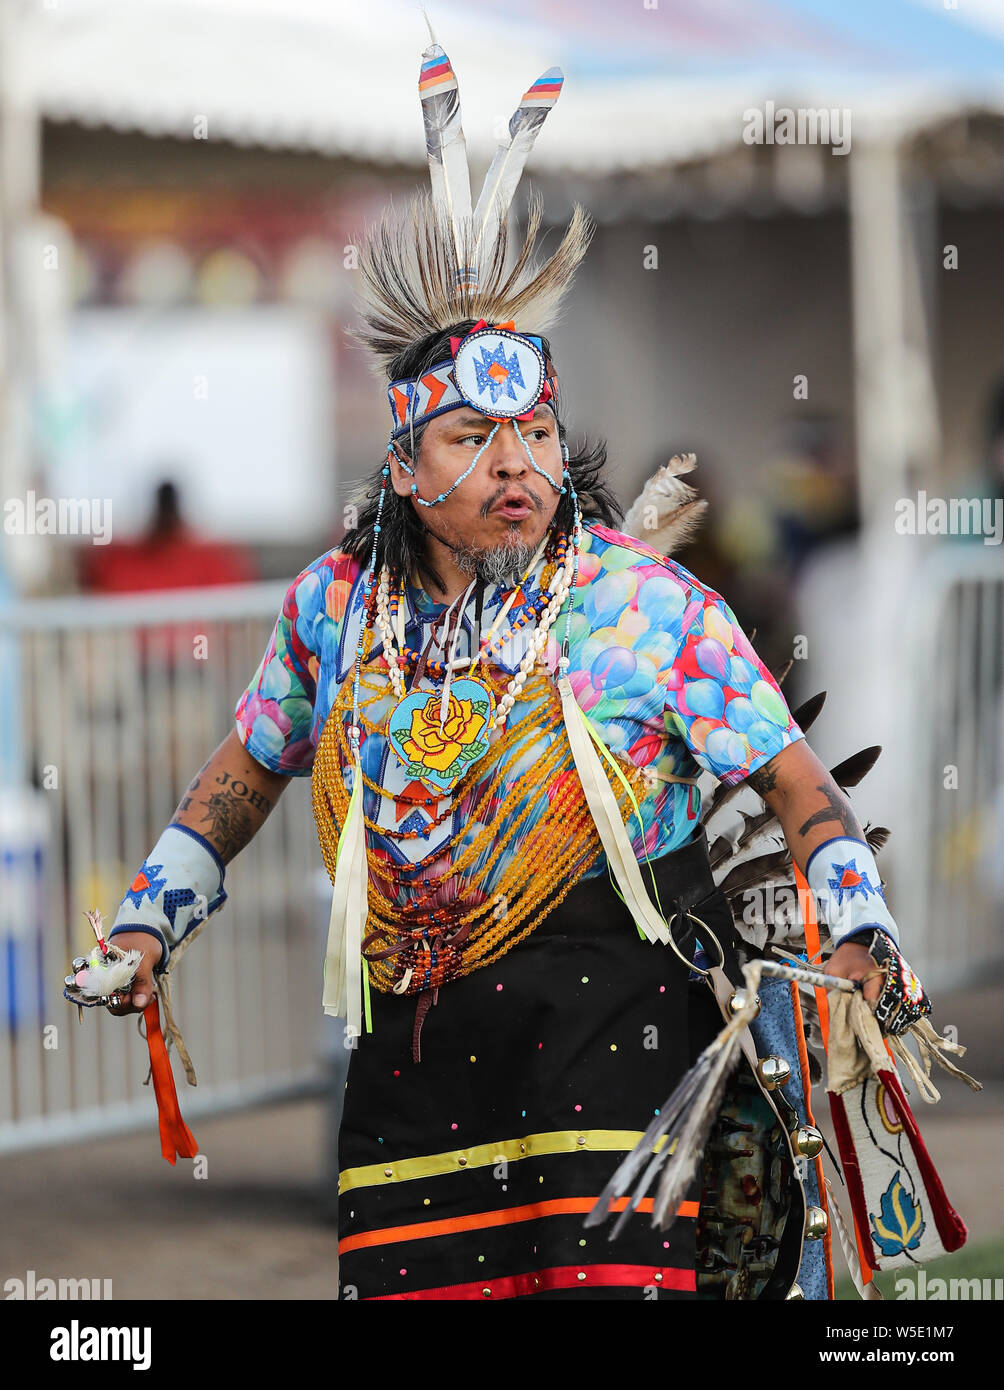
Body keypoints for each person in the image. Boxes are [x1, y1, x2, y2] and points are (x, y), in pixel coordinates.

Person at [103, 40, 924, 1302]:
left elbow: (797, 783)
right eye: (471, 437)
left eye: (533, 430)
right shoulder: (335, 609)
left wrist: (860, 924)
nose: (514, 464)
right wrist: (154, 914)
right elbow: (255, 758)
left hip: (617, 1041)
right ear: (399, 462)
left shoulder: (641, 608)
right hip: (411, 1056)